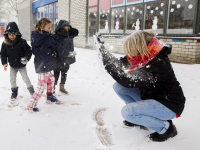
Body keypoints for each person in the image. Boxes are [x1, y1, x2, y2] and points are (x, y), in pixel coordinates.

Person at [96, 31, 185, 142]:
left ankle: (166, 128)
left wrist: (108, 65)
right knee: (119, 88)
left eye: (131, 49)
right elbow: (119, 64)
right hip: (152, 97)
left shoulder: (159, 62)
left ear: (139, 47)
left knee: (127, 112)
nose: (129, 54)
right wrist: (102, 48)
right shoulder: (142, 57)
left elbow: (128, 81)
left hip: (169, 104)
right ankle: (139, 117)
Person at [27, 18, 76, 112]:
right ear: (41, 27)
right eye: (48, 27)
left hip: (45, 62)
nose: (50, 30)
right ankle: (31, 105)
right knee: (41, 86)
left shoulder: (36, 36)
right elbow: (57, 47)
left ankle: (49, 97)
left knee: (51, 78)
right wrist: (68, 53)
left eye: (50, 27)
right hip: (43, 64)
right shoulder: (46, 38)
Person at [0, 22, 34, 100]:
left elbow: (29, 51)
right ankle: (14, 92)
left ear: (17, 34)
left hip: (21, 65)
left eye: (14, 34)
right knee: (12, 79)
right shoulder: (5, 44)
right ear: (7, 35)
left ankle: (32, 91)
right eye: (10, 34)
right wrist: (4, 63)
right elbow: (3, 54)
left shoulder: (22, 42)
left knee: (26, 78)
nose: (12, 36)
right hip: (12, 65)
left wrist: (26, 58)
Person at [53, 20, 78, 94]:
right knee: (56, 74)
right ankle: (53, 88)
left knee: (64, 73)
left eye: (67, 26)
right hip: (58, 58)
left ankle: (62, 87)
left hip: (67, 58)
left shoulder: (70, 34)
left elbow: (76, 32)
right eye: (65, 26)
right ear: (60, 27)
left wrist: (70, 28)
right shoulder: (55, 36)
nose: (66, 28)